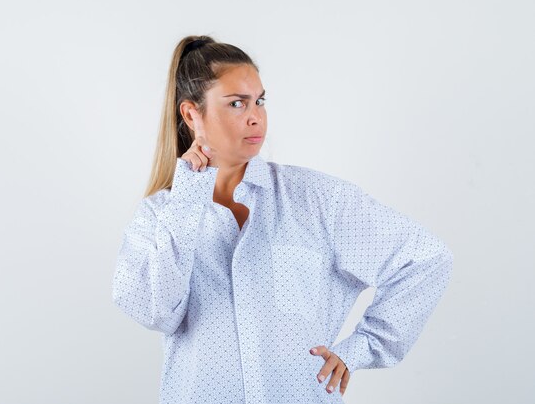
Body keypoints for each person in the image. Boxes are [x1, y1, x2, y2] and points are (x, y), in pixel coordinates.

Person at [112, 34, 453, 404]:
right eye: (236, 104)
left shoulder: (317, 199)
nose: (255, 116)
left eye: (259, 101)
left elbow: (424, 258)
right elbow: (154, 311)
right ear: (192, 114)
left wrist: (361, 348)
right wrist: (188, 198)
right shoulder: (158, 217)